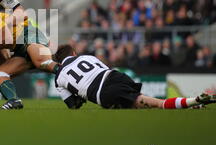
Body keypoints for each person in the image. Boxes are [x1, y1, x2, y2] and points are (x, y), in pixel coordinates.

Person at [53, 44, 216, 110]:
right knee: (145, 102)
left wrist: (79, 97)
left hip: (104, 93)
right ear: (74, 53)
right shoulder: (86, 57)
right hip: (116, 76)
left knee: (157, 105)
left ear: (60, 61)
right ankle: (194, 104)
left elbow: (73, 106)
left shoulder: (59, 77)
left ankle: (192, 102)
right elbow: (105, 70)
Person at [0, 9, 59, 109]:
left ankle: (72, 71)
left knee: (43, 63)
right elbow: (2, 52)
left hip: (29, 33)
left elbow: (7, 40)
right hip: (20, 48)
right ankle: (14, 101)